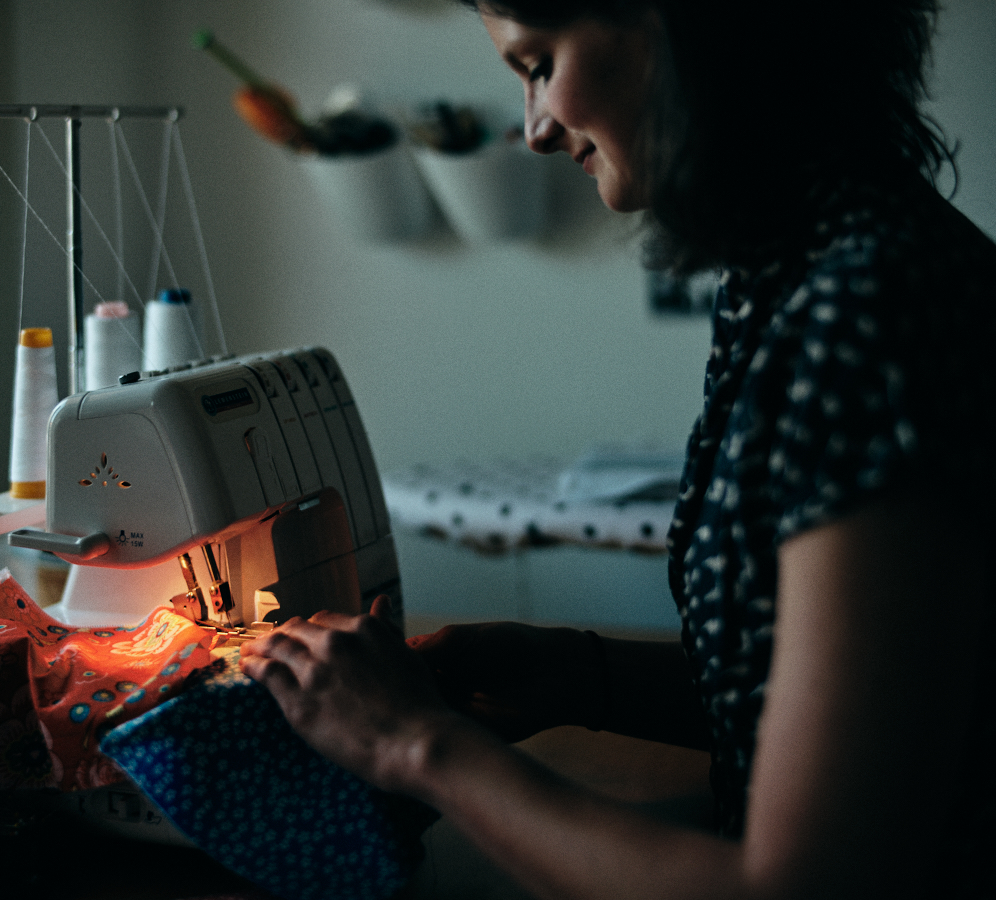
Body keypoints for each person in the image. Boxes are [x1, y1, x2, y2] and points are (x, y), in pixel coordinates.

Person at [241, 1, 996, 896]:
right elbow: (847, 712)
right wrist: (585, 678)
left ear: (680, 28)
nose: (535, 130)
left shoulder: (867, 315)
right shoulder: (806, 276)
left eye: (537, 65)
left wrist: (414, 744)